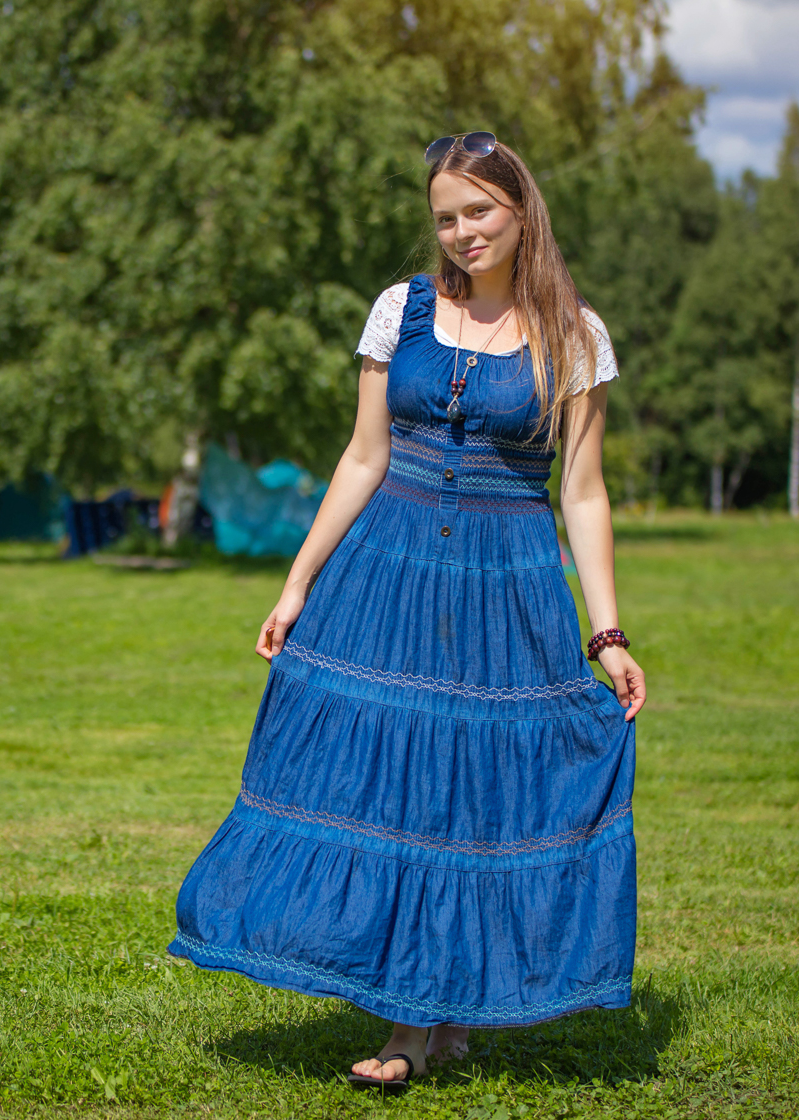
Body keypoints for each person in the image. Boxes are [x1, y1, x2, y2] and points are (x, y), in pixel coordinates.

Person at [168, 131, 646, 1092]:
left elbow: (583, 492)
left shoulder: (573, 335)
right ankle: (420, 1017)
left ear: (521, 210)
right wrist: (298, 581)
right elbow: (363, 455)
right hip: (387, 571)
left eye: (479, 211)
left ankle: (429, 1018)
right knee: (395, 785)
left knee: (476, 789)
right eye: (446, 217)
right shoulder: (404, 309)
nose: (463, 232)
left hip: (506, 584)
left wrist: (606, 634)